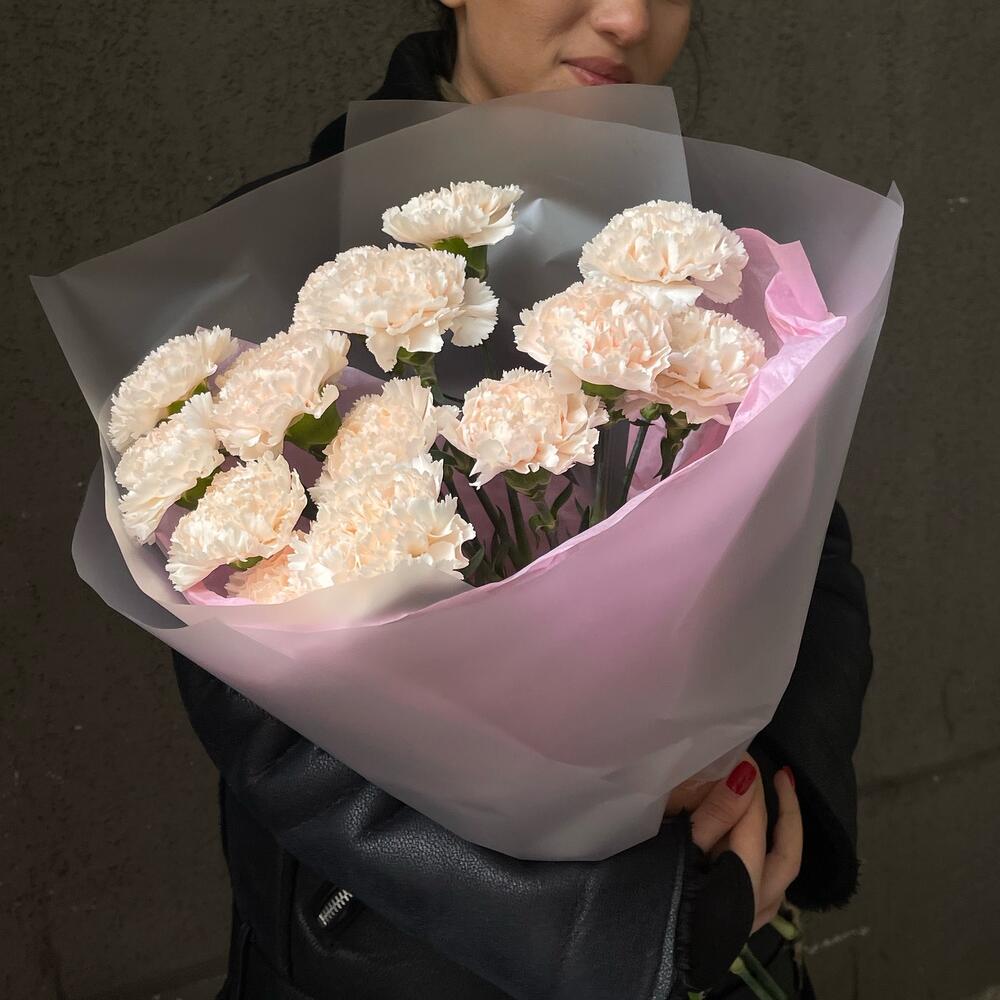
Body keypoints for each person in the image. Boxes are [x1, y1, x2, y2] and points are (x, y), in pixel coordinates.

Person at [173, 4, 874, 997]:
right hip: (404, 952)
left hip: (712, 911)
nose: (627, 16)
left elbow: (806, 549)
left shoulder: (698, 244)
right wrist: (620, 923)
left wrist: (756, 793)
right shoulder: (278, 249)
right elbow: (259, 706)